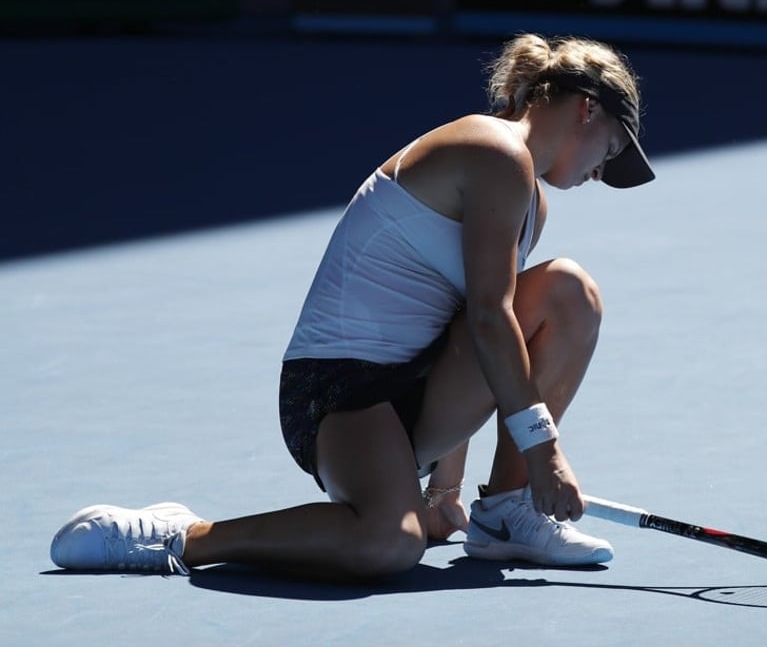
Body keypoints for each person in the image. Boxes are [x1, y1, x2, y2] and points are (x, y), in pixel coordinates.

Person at [49, 33, 655, 579]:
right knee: (389, 544)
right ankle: (185, 536)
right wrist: (544, 450)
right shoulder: (493, 151)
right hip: (337, 391)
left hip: (416, 384)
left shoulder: (530, 203)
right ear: (586, 108)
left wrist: (444, 492)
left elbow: (470, 326)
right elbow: (489, 321)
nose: (603, 172)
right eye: (611, 149)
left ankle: (504, 514)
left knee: (567, 292)